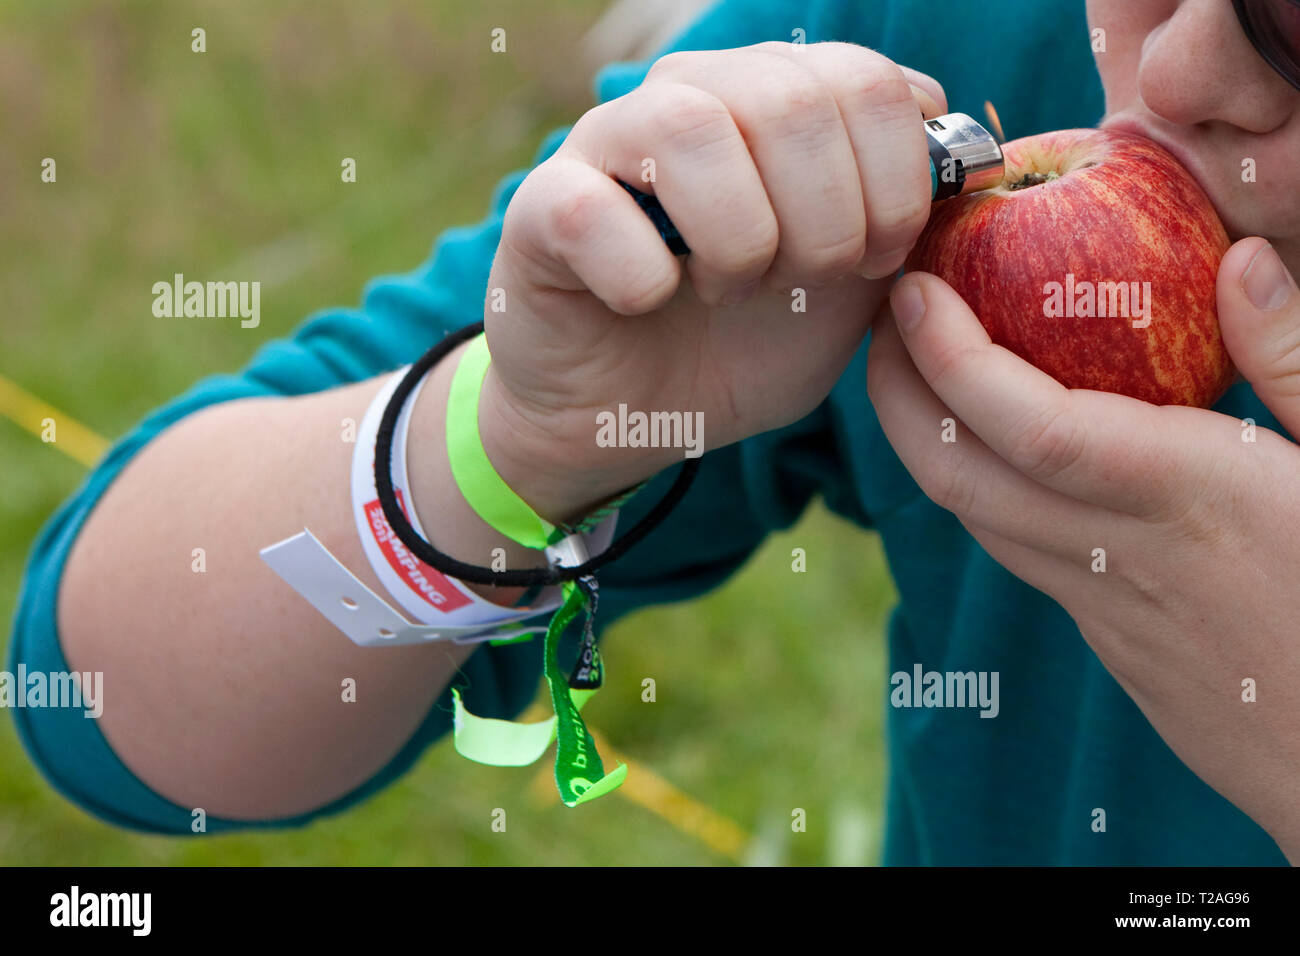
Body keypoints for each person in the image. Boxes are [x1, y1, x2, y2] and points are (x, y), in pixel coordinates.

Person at [10, 0, 1300, 864]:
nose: (1176, 71)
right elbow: (103, 693)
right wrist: (517, 440)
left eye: (1284, 32)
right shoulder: (954, 45)